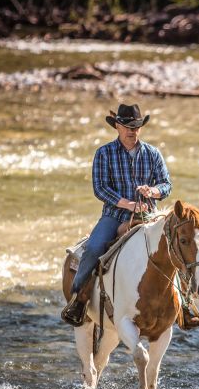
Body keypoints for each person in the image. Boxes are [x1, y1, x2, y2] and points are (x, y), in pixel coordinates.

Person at [61, 103, 172, 326]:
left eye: (137, 126)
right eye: (128, 126)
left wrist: (153, 191)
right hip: (113, 216)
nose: (133, 130)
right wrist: (127, 204)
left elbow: (166, 185)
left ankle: (184, 303)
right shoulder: (104, 153)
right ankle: (79, 299)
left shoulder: (153, 154)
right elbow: (100, 188)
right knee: (93, 248)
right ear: (118, 127)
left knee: (175, 249)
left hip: (148, 216)